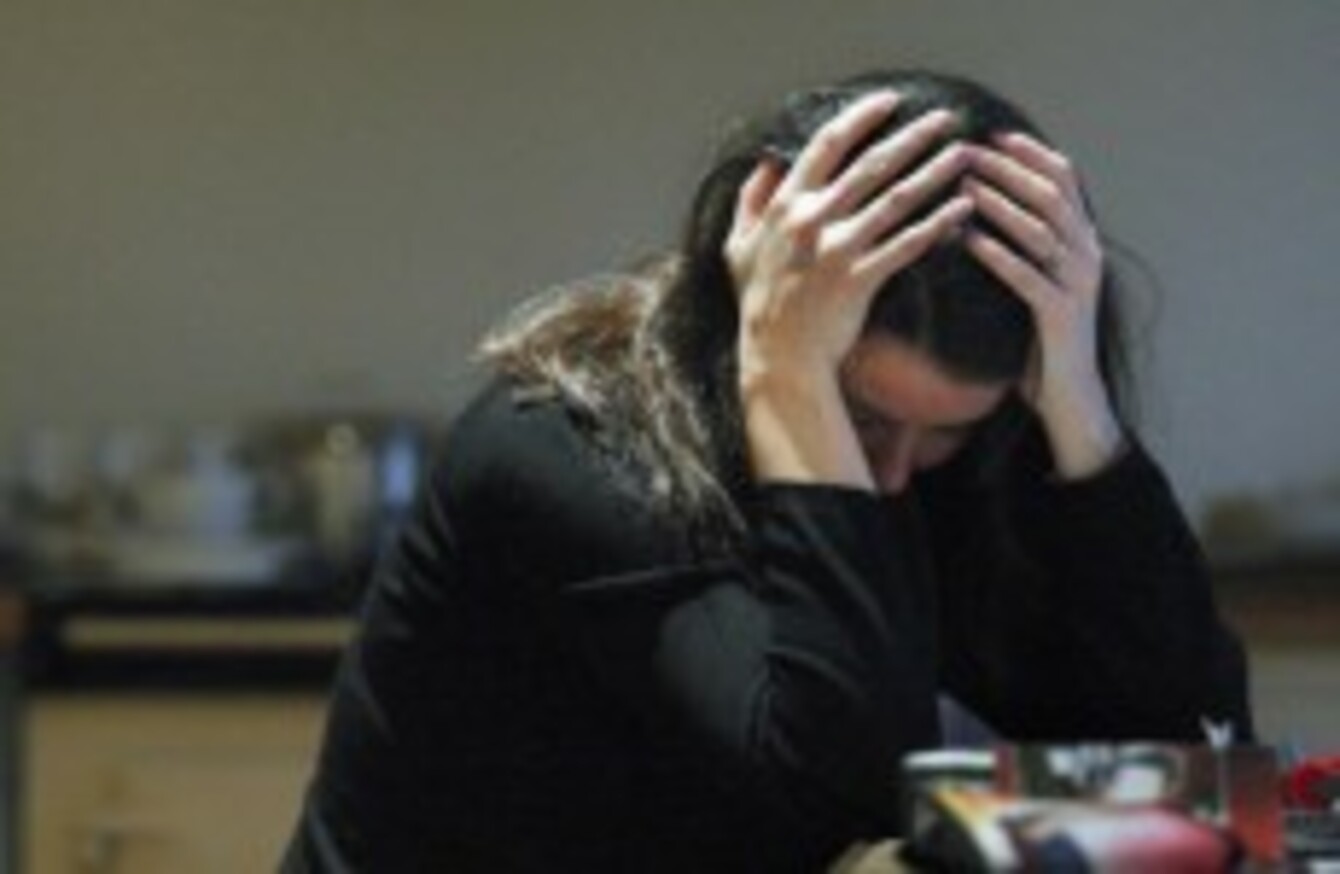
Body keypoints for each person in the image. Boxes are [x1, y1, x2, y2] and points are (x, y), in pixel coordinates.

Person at [282, 69, 1252, 873]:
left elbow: (1194, 768)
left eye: (947, 433)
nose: (893, 475)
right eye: (862, 417)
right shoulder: (567, 446)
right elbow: (844, 783)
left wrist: (1077, 405)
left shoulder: (956, 457)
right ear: (757, 321)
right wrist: (787, 379)